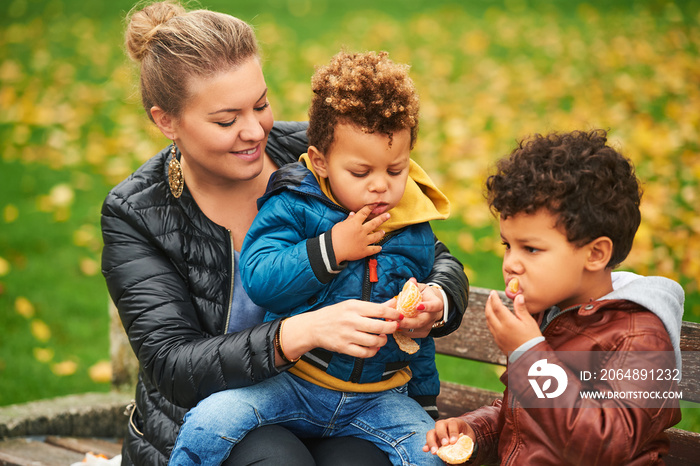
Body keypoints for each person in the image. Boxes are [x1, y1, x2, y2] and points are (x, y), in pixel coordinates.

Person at [100, 2, 469, 465]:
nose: (254, 130)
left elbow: (431, 253)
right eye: (226, 120)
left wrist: (436, 299)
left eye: (261, 104)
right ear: (166, 121)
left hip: (349, 397)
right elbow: (173, 365)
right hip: (218, 411)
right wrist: (301, 331)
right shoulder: (137, 212)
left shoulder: (321, 154)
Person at [169, 50, 450, 466]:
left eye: (396, 171)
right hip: (293, 381)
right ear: (320, 161)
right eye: (361, 173)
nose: (381, 187)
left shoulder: (411, 226)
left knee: (432, 454)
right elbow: (261, 277)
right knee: (213, 420)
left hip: (376, 399)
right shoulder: (295, 204)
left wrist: (425, 402)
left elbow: (418, 338)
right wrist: (333, 248)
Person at [424, 130, 684, 464]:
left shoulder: (640, 338)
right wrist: (475, 430)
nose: (510, 264)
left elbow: (607, 443)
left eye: (530, 248)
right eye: (508, 245)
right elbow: (526, 420)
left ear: (595, 254)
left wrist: (529, 355)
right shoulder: (553, 312)